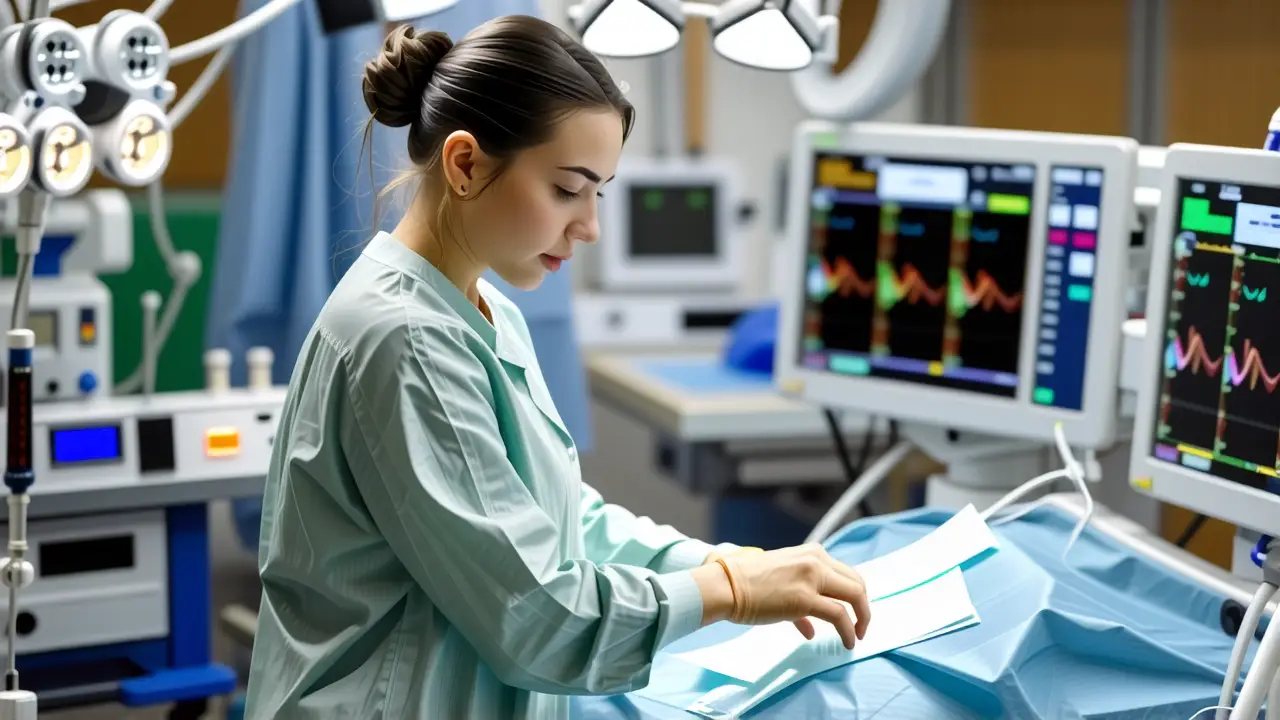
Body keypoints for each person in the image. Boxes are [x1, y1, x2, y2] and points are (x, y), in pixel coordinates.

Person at [243, 15, 870, 719]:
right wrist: (731, 591)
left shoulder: (482, 310)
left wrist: (722, 564)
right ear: (464, 164)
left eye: (599, 192)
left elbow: (560, 518)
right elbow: (538, 618)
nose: (589, 226)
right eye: (568, 189)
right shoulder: (406, 340)